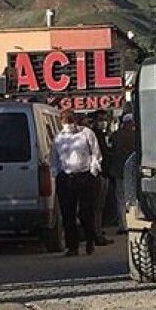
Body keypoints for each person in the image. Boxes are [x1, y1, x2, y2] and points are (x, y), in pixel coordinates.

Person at [50, 109, 103, 256]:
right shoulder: (58, 138)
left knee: (85, 212)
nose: (68, 125)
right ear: (61, 123)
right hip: (66, 177)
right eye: (66, 123)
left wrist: (93, 171)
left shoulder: (86, 133)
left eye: (70, 122)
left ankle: (90, 240)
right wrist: (55, 173)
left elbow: (95, 153)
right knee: (68, 214)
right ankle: (72, 246)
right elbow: (53, 158)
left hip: (84, 176)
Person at [108, 112, 139, 234]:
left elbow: (112, 149)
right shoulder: (137, 135)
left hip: (119, 170)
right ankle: (135, 220)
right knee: (134, 196)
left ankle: (123, 225)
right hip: (134, 171)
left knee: (120, 198)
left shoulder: (116, 135)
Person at [89, 110, 114, 246]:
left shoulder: (101, 135)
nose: (103, 122)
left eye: (104, 119)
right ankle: (96, 234)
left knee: (99, 206)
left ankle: (97, 231)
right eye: (100, 119)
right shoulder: (93, 135)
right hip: (98, 175)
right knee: (97, 207)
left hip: (103, 174)